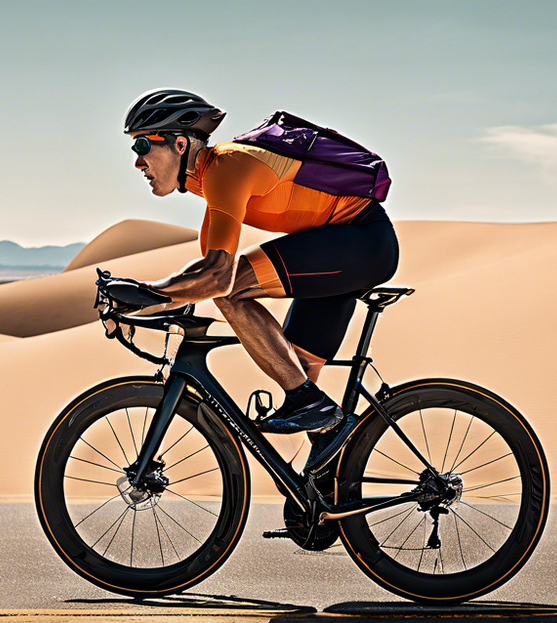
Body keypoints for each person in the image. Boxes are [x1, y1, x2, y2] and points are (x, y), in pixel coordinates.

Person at [126, 88, 399, 443]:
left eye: (143, 146)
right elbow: (196, 281)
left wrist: (145, 292)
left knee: (229, 292)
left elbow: (217, 277)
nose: (137, 162)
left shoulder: (226, 166)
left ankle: (306, 401)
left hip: (360, 242)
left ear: (180, 145)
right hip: (339, 249)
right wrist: (135, 303)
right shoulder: (213, 186)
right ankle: (327, 487)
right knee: (306, 389)